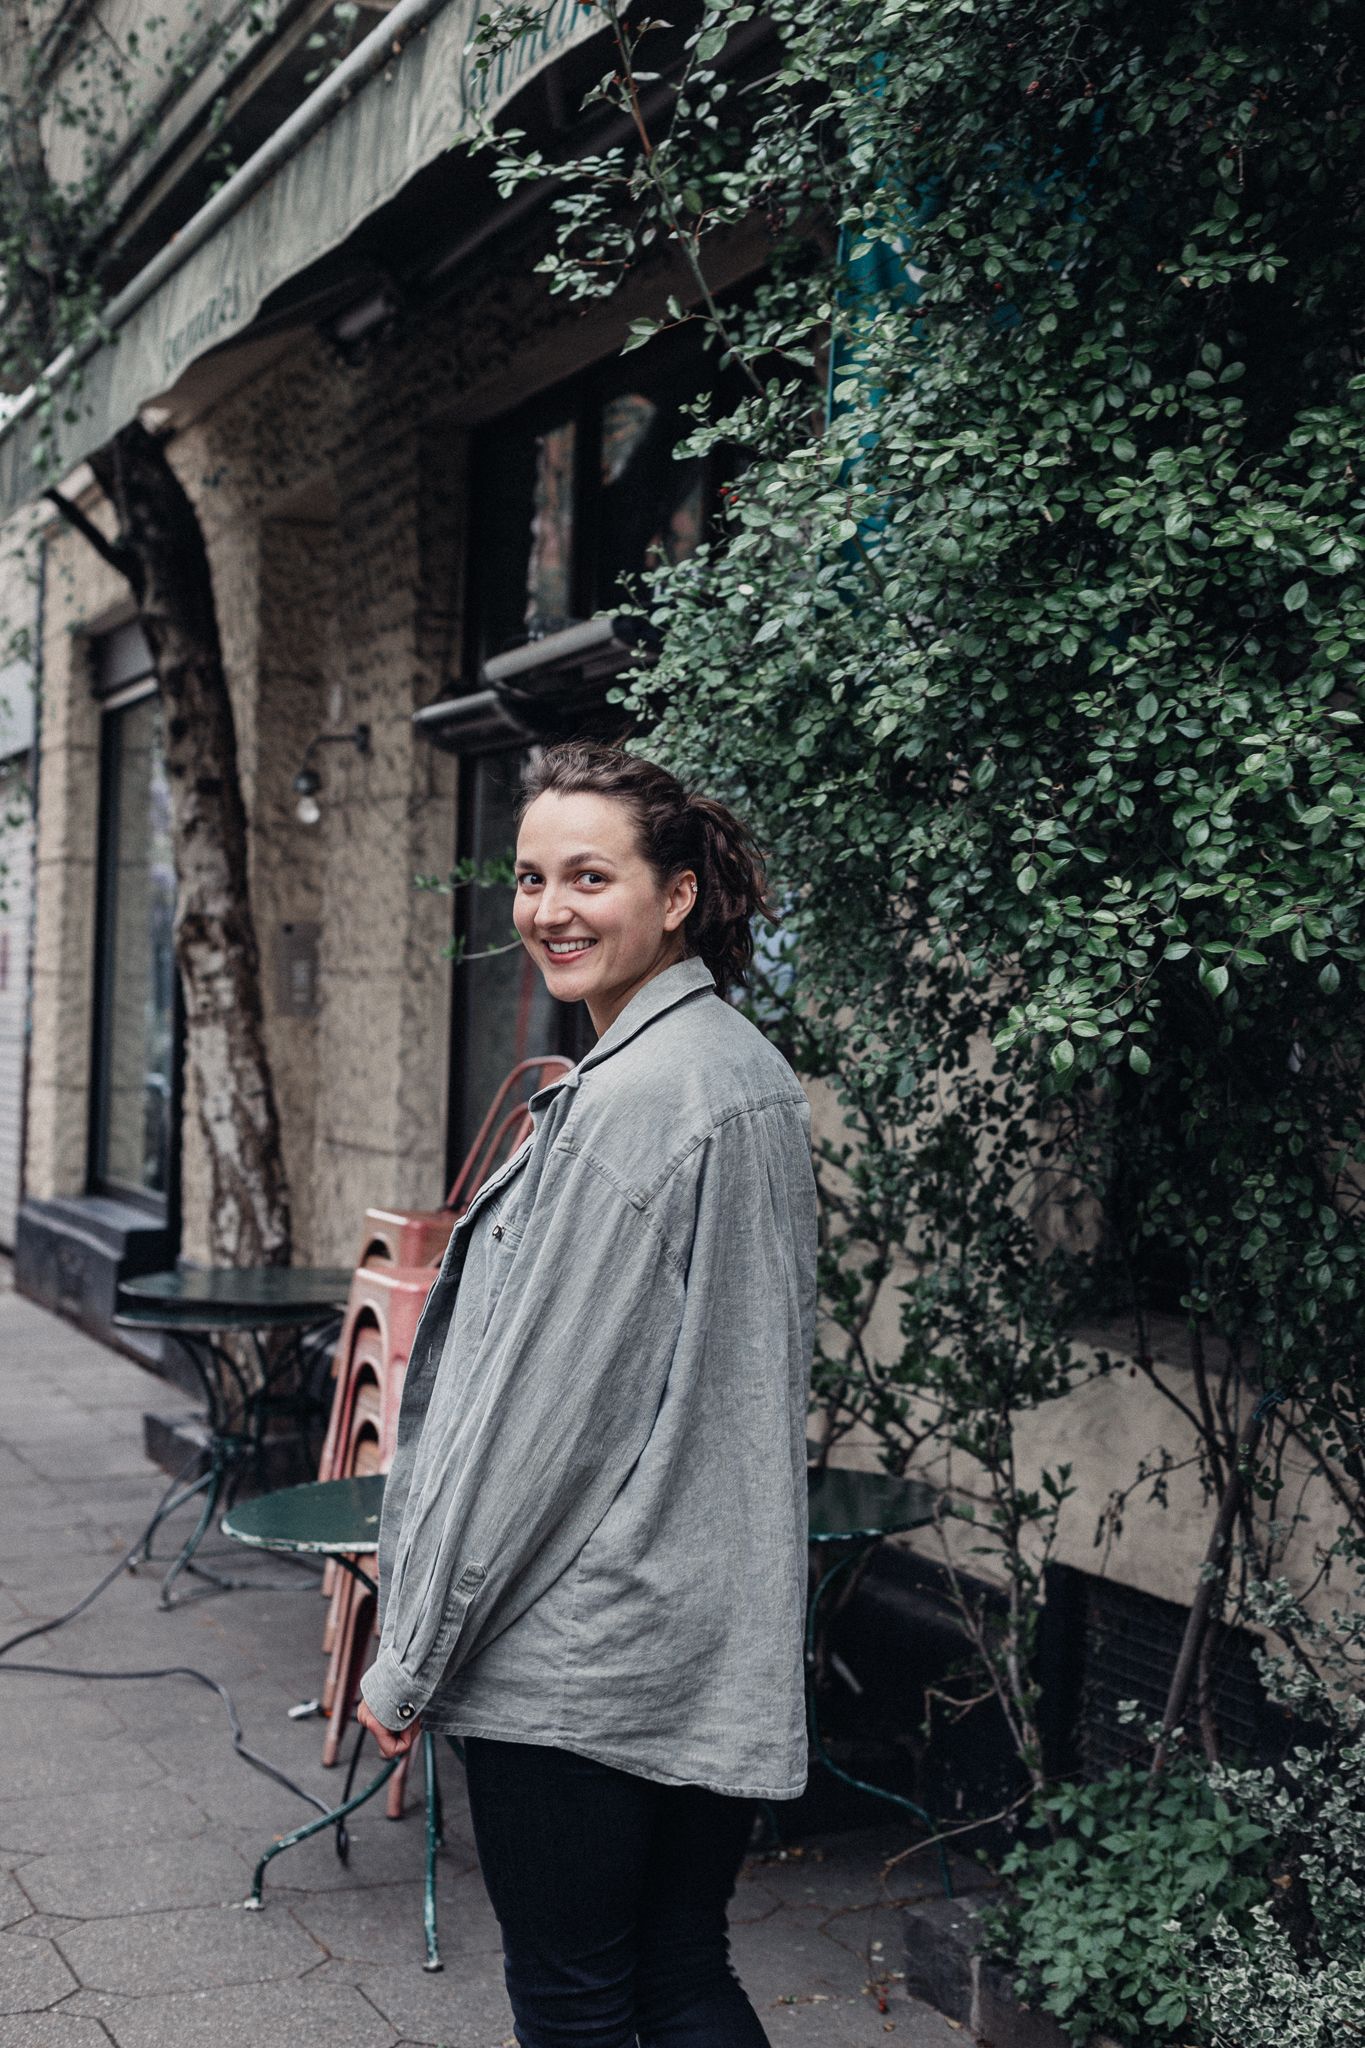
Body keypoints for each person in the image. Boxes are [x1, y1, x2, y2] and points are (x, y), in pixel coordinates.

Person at [357, 740, 818, 2048]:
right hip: (697, 1628)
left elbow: (536, 1432)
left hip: (581, 1654)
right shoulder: (741, 1070)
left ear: (676, 897)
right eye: (528, 878)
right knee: (679, 1975)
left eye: (588, 877)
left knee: (577, 2000)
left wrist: (408, 1662)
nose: (549, 909)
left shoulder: (636, 1101)